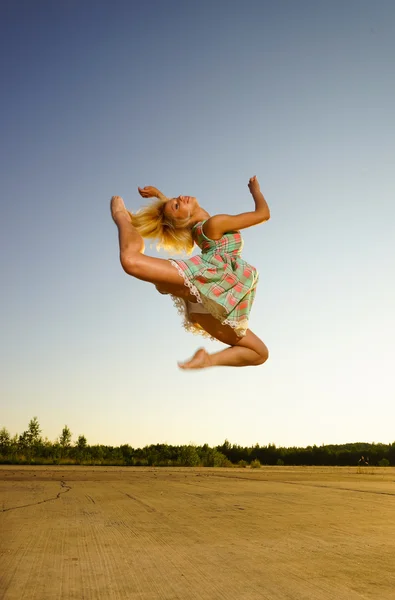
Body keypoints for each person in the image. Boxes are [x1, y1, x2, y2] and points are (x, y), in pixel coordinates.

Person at [110, 176, 270, 369]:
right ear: (181, 219)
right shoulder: (214, 224)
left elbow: (182, 217)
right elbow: (263, 214)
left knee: (259, 353)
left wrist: (161, 197)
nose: (179, 198)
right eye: (176, 205)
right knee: (131, 261)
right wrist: (256, 191)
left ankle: (208, 360)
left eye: (176, 201)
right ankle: (121, 217)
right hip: (210, 278)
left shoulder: (202, 227)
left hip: (208, 296)